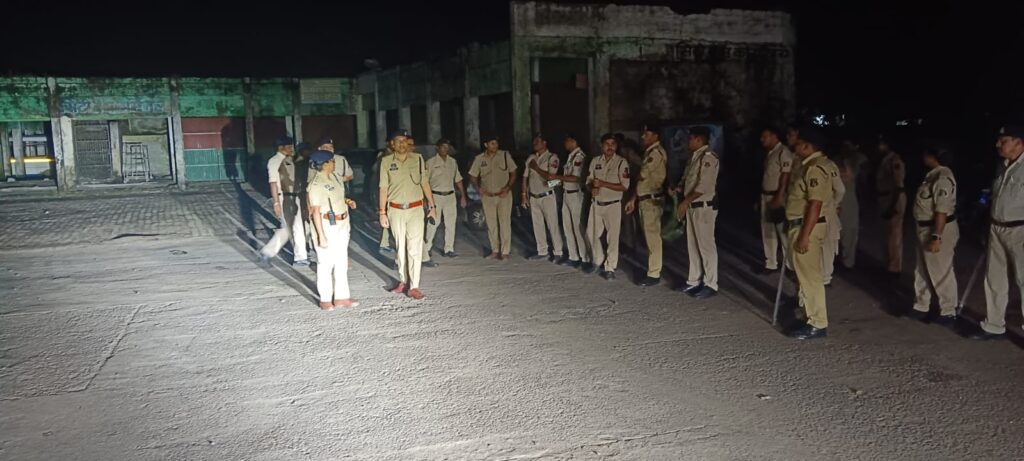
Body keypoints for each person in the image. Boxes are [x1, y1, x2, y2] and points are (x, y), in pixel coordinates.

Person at [970, 124, 1024, 340]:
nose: (998, 144)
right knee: (994, 278)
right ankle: (993, 325)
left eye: (1003, 141)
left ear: (1019, 142)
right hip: (996, 227)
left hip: (1020, 230)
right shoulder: (1002, 166)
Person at [785, 127, 834, 340]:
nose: (795, 146)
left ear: (807, 146)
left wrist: (805, 235)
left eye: (798, 143)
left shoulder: (814, 168)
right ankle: (810, 317)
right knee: (804, 276)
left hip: (807, 228)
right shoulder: (811, 165)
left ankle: (817, 323)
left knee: (810, 277)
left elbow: (815, 204)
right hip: (802, 225)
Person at [378, 129, 437, 300]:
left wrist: (432, 205)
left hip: (415, 209)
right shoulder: (386, 162)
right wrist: (382, 212)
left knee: (414, 247)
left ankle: (414, 286)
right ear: (392, 144)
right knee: (400, 247)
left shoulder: (417, 159)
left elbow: (424, 183)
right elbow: (383, 188)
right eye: (398, 141)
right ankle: (403, 281)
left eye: (404, 141)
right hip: (395, 210)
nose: (402, 144)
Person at [907, 145, 958, 327]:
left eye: (926, 154)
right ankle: (921, 306)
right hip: (924, 227)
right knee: (922, 270)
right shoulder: (932, 175)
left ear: (933, 157)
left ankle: (948, 310)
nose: (923, 157)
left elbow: (942, 210)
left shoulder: (942, 178)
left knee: (940, 270)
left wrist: (937, 236)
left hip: (937, 228)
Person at [307, 150, 358, 310]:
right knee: (326, 263)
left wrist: (347, 201)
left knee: (341, 261)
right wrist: (321, 235)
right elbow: (315, 211)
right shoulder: (315, 185)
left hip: (342, 222)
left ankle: (342, 297)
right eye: (332, 161)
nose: (334, 163)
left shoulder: (335, 177)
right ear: (325, 164)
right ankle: (325, 299)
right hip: (326, 225)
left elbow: (337, 197)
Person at [674, 126, 720, 299]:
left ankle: (711, 283)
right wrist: (679, 189)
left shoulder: (708, 157)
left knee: (706, 246)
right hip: (693, 206)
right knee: (692, 245)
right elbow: (690, 180)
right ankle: (694, 280)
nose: (688, 142)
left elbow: (703, 186)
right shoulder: (694, 157)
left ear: (699, 139)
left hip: (703, 207)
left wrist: (685, 202)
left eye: (690, 138)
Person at [624, 122, 668, 286]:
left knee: (653, 237)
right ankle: (653, 269)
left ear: (656, 136)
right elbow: (642, 182)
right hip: (645, 198)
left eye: (647, 134)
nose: (643, 137)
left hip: (651, 199)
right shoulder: (649, 152)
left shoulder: (656, 153)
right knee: (650, 237)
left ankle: (654, 274)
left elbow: (642, 175)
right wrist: (633, 199)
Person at [259, 136, 308, 266]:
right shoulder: (274, 161)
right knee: (294, 227)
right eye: (289, 146)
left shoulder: (292, 159)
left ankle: (268, 252)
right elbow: (273, 183)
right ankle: (300, 257)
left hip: (295, 196)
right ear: (280, 148)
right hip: (284, 197)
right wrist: (276, 202)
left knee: (290, 227)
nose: (292, 149)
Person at [586, 133, 630, 280]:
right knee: (591, 233)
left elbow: (624, 186)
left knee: (612, 238)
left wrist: (603, 184)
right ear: (602, 145)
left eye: (613, 144)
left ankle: (610, 267)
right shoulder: (595, 161)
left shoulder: (621, 162)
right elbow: (589, 181)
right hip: (596, 204)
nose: (610, 147)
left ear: (616, 146)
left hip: (613, 205)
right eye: (607, 144)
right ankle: (598, 259)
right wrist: (591, 188)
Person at [469, 134, 517, 260]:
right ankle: (495, 250)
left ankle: (505, 252)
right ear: (486, 145)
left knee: (505, 223)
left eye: (496, 143)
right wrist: (478, 188)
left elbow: (513, 172)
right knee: (491, 224)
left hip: (504, 195)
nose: (495, 145)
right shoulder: (479, 159)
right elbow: (473, 176)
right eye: (492, 143)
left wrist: (508, 187)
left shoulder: (505, 155)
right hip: (488, 196)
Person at [422, 139, 467, 265]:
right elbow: (424, 182)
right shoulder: (430, 162)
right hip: (435, 196)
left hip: (450, 196)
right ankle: (427, 249)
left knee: (450, 223)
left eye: (447, 147)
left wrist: (463, 195)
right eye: (443, 147)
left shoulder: (452, 162)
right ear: (437, 148)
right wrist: (425, 199)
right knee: (433, 223)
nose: (445, 149)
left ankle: (449, 249)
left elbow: (458, 179)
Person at [522, 133, 565, 262]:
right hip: (534, 196)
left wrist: (536, 168)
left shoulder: (552, 158)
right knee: (537, 225)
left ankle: (558, 252)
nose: (535, 143)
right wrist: (524, 195)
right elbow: (525, 177)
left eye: (538, 141)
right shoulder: (531, 158)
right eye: (534, 141)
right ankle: (542, 251)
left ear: (544, 142)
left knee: (552, 225)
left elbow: (551, 178)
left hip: (547, 196)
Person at [757, 127, 794, 274]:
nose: (762, 139)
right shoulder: (770, 153)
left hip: (777, 196)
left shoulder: (783, 152)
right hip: (766, 195)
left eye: (765, 136)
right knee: (767, 230)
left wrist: (779, 196)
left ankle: (790, 265)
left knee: (783, 232)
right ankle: (770, 263)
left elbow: (786, 174)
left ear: (774, 136)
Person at [877, 136, 907, 276]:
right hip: (886, 197)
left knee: (894, 235)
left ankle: (894, 268)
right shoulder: (886, 160)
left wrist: (892, 206)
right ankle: (888, 265)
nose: (879, 147)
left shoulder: (895, 161)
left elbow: (899, 186)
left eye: (881, 144)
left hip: (893, 198)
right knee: (887, 235)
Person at [559, 133, 590, 269]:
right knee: (567, 227)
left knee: (578, 228)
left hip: (576, 195)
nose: (565, 144)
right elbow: (563, 179)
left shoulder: (579, 157)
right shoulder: (570, 156)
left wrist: (555, 177)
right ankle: (573, 256)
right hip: (566, 194)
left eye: (567, 141)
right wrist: (550, 182)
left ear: (573, 141)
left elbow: (576, 178)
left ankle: (585, 258)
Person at [837, 138, 868, 269]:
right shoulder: (836, 160)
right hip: (838, 200)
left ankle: (848, 262)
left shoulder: (858, 160)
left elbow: (856, 176)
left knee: (849, 232)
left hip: (850, 200)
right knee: (838, 231)